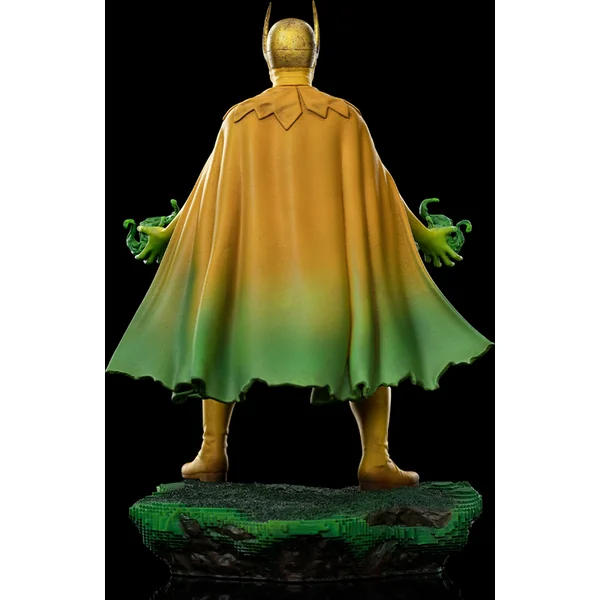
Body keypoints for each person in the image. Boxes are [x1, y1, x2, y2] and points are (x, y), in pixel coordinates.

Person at [106, 2, 492, 491]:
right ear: (315, 55)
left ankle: (211, 452)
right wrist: (422, 232)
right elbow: (381, 191)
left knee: (221, 330)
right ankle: (376, 459)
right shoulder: (345, 117)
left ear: (266, 55)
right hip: (332, 289)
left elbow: (207, 193)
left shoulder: (239, 119)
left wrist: (170, 231)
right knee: (367, 337)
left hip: (254, 291)